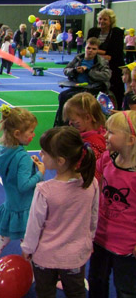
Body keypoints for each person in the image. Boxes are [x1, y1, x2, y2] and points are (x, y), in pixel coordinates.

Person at [22, 126, 98, 298]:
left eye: (44, 152)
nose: (41, 154)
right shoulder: (91, 183)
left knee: (45, 292)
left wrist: (27, 248)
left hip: (45, 257)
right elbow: (93, 217)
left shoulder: (44, 190)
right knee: (76, 292)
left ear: (61, 161)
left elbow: (34, 226)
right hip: (75, 256)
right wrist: (89, 240)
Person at [0, 105, 44, 279]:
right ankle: (31, 275)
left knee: (1, 239)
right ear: (17, 134)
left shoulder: (4, 150)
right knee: (29, 244)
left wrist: (29, 164)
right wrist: (39, 173)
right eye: (30, 132)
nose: (33, 135)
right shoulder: (22, 156)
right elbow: (24, 185)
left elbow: (14, 175)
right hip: (24, 209)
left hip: (10, 205)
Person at [88, 110, 136, 297]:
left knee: (125, 288)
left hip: (126, 246)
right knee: (96, 280)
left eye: (111, 132)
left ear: (130, 140)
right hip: (101, 236)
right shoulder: (108, 159)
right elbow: (94, 182)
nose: (105, 136)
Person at [54, 37, 112, 127]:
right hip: (77, 86)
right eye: (88, 48)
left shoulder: (102, 61)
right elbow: (66, 70)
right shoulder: (78, 58)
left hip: (93, 87)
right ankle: (62, 122)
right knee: (62, 95)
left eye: (94, 49)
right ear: (85, 48)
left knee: (69, 97)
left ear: (97, 50)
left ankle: (67, 123)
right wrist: (74, 71)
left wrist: (88, 71)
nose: (90, 51)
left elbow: (106, 75)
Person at [63, 92, 107, 182]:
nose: (70, 123)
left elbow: (91, 177)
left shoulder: (91, 146)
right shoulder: (102, 133)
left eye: (74, 121)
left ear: (87, 118)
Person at [87, 8, 125, 109]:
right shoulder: (93, 31)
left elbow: (115, 53)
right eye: (100, 19)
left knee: (116, 92)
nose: (101, 21)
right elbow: (87, 48)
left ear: (111, 21)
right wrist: (103, 53)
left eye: (105, 19)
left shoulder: (117, 32)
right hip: (96, 66)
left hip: (114, 67)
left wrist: (96, 51)